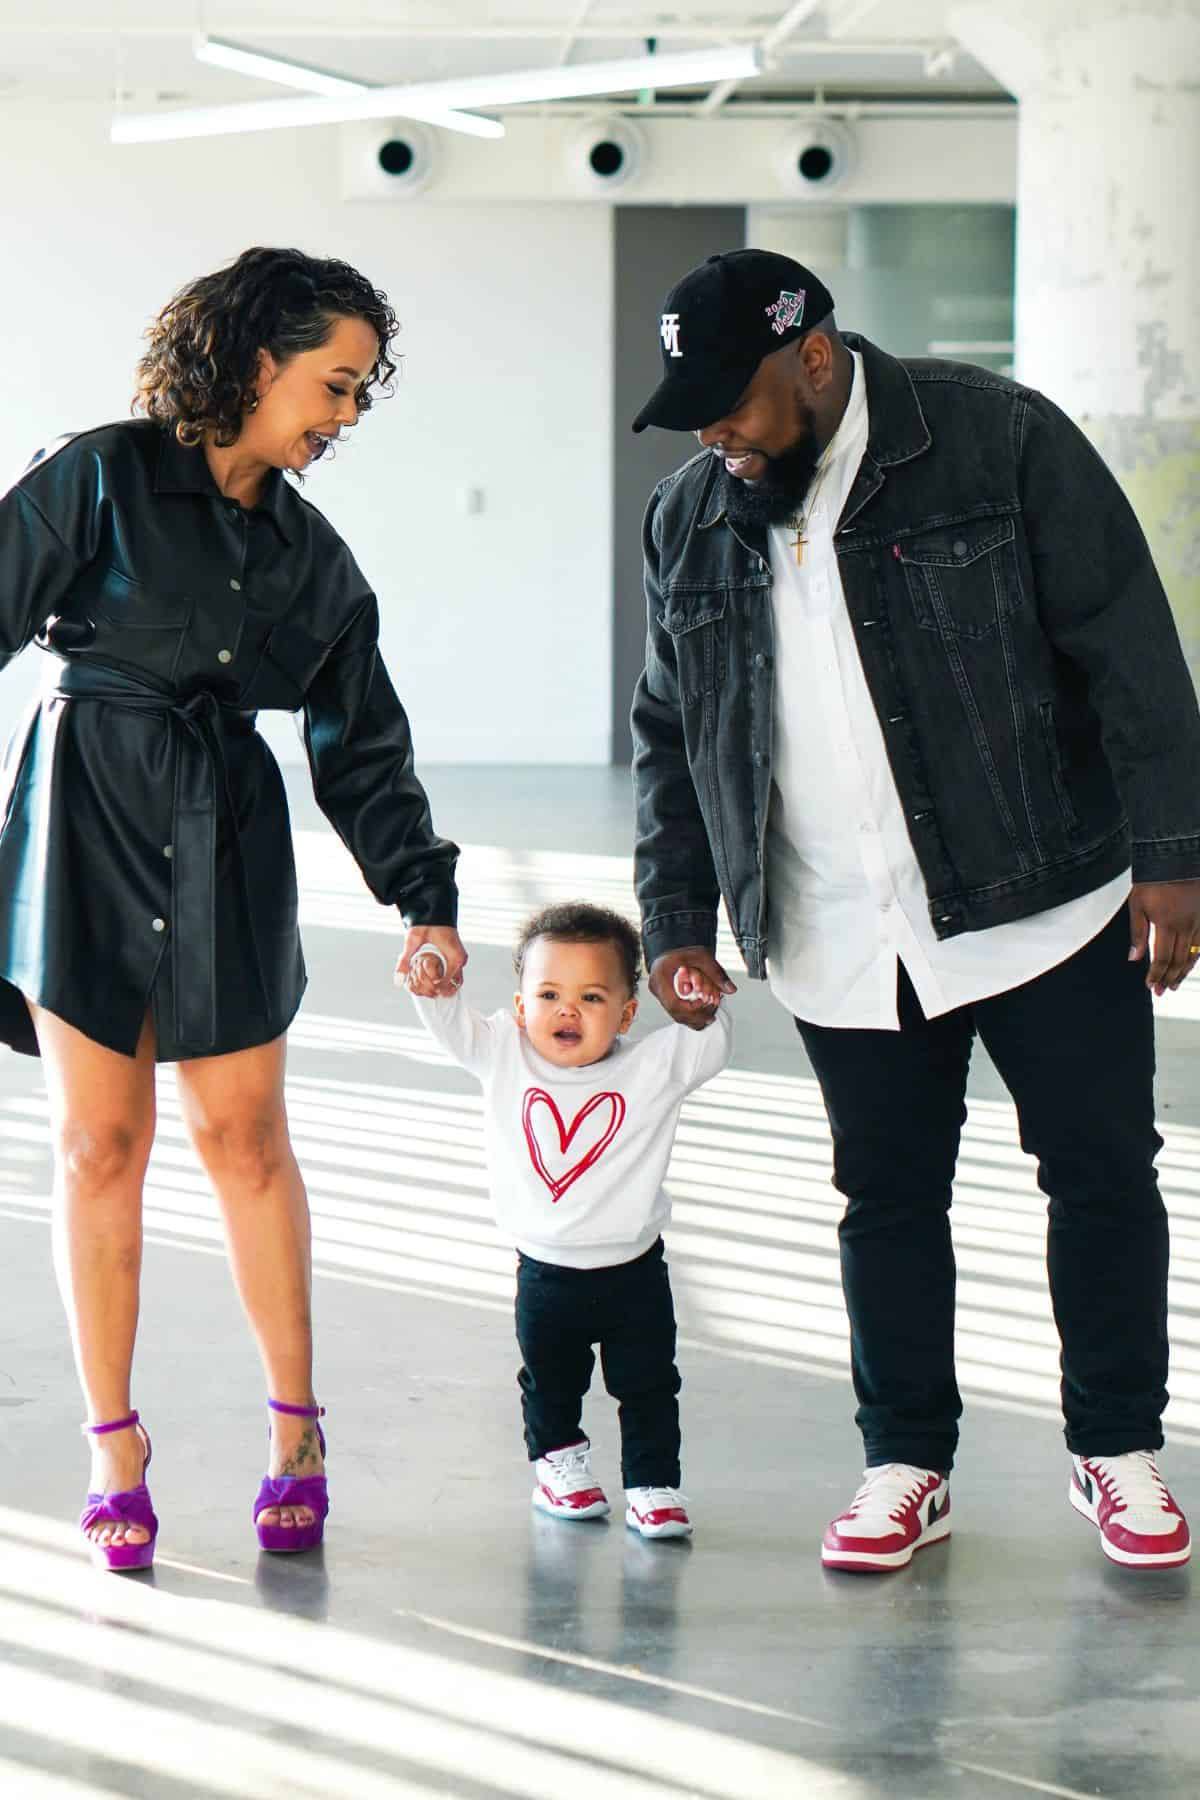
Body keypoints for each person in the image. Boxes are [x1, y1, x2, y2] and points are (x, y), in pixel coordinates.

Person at [629, 248, 1200, 1573]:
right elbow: (671, 736)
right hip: (839, 925)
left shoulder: (995, 439)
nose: (714, 431)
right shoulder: (691, 517)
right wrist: (675, 920)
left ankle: (1116, 1447)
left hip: (1043, 894)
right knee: (886, 1195)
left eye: (733, 400)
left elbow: (1128, 643)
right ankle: (907, 1462)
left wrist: (1177, 855)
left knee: (1103, 1169)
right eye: (693, 407)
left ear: (813, 358)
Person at [0, 246, 467, 1570]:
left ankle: (295, 1429)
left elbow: (361, 747)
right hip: (84, 822)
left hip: (229, 837)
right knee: (98, 1146)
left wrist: (421, 897)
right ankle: (113, 1443)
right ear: (255, 359)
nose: (347, 416)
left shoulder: (315, 560)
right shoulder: (96, 476)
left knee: (245, 1136)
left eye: (365, 392)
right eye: (336, 383)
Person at [406, 901, 731, 1538]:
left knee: (649, 1385)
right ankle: (558, 1465)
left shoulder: (652, 1066)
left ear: (628, 1012)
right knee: (551, 1382)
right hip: (545, 1272)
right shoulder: (504, 1052)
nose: (567, 1010)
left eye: (591, 996)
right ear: (522, 1006)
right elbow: (452, 1028)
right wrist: (434, 982)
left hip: (634, 1271)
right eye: (549, 993)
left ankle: (653, 1482)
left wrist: (702, 1004)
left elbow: (708, 1048)